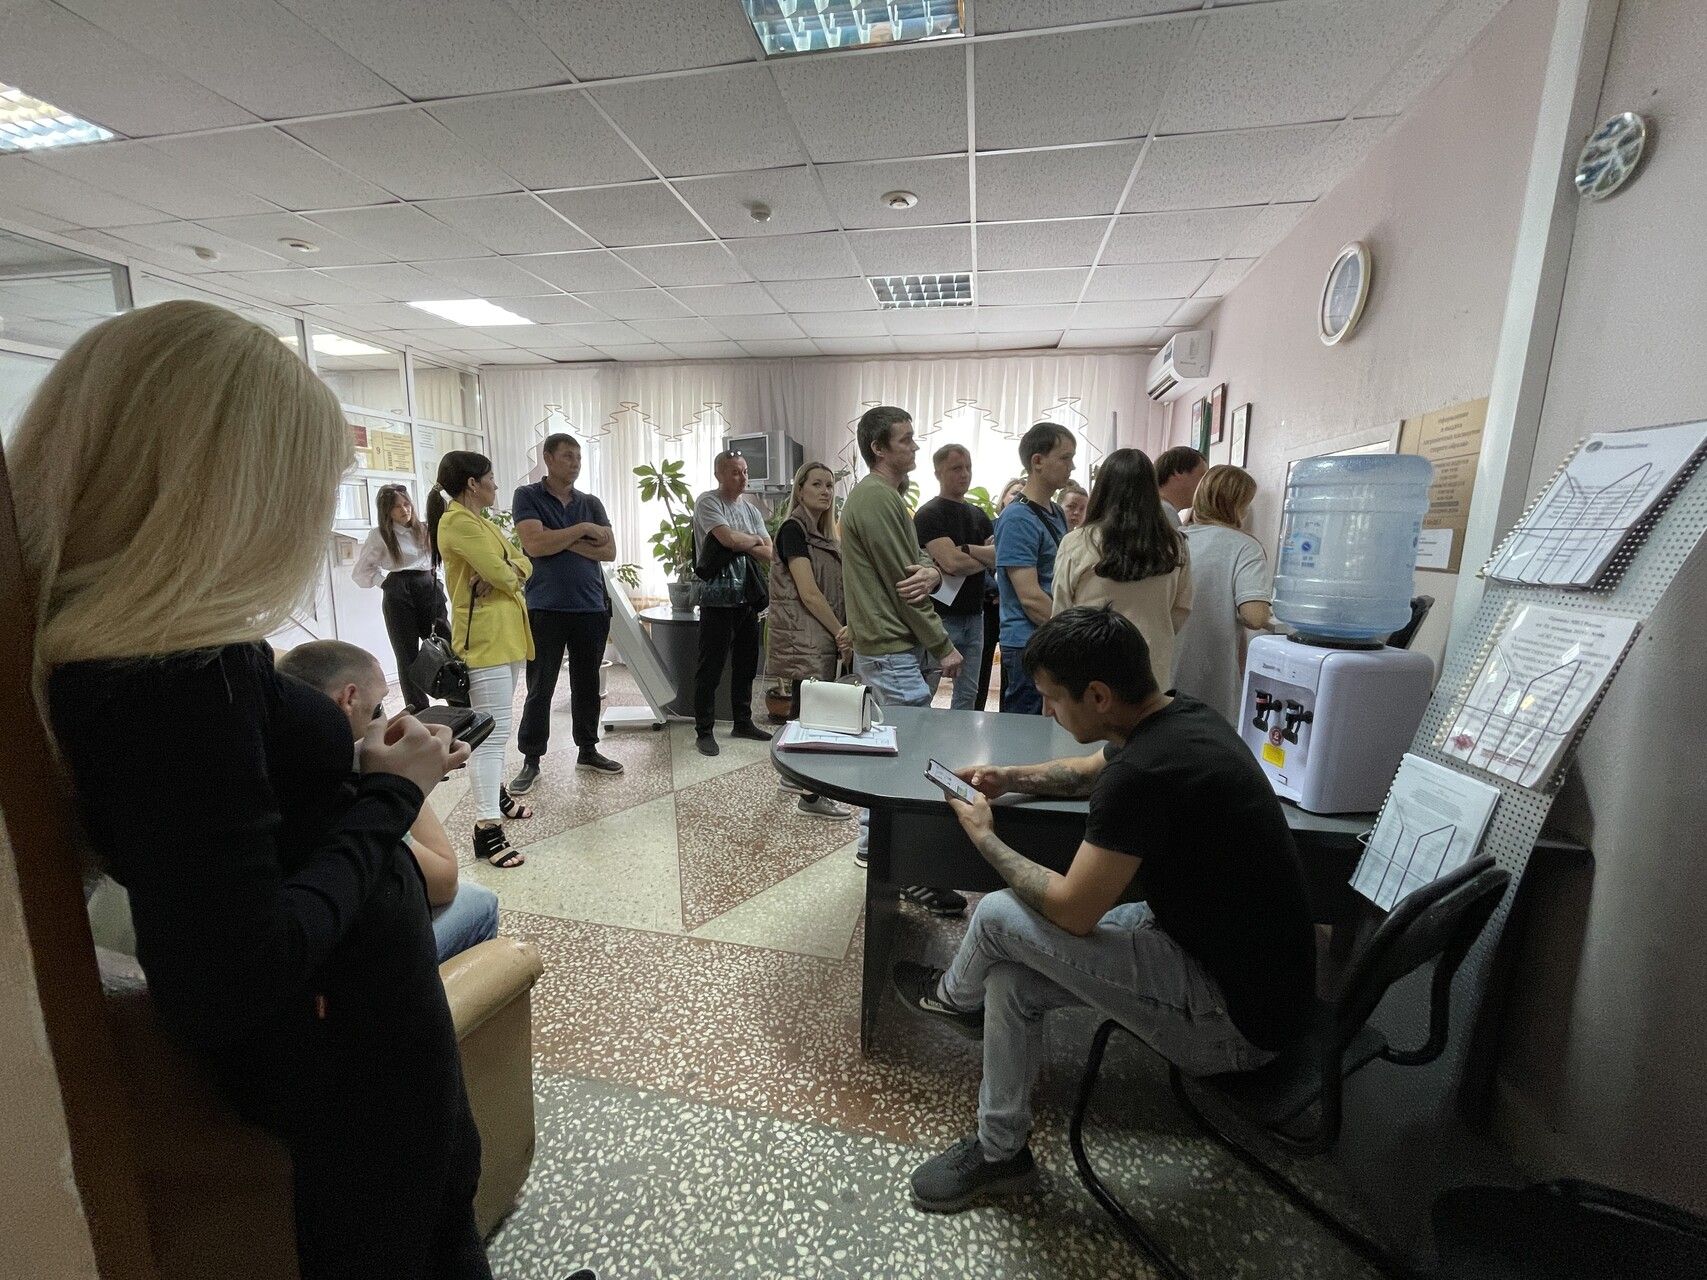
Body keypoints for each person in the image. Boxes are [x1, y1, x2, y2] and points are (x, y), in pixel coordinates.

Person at [12, 300, 527, 1280]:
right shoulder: (166, 682)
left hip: (364, 1045)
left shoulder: (164, 659)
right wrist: (391, 792)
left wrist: (361, 771)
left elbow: (240, 842)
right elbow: (234, 972)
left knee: (435, 1219)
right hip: (351, 1070)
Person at [892, 606, 1315, 1212]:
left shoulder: (1145, 774)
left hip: (1233, 1019)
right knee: (1010, 980)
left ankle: (955, 1000)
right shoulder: (1181, 719)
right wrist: (1006, 777)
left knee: (995, 915)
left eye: (1054, 700)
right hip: (1222, 955)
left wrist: (984, 835)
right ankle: (1000, 1153)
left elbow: (1072, 910)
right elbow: (1093, 770)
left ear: (1098, 694)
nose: (1051, 713)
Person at [277, 640, 502, 959]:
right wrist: (406, 782)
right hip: (353, 964)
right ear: (348, 699)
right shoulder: (346, 794)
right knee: (481, 903)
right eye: (380, 707)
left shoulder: (274, 768)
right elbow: (444, 880)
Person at [840, 406, 965, 915]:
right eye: (907, 440)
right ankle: (907, 868)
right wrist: (943, 644)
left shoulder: (885, 498)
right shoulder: (874, 499)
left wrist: (933, 570)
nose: (915, 448)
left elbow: (919, 570)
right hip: (891, 648)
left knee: (893, 751)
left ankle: (878, 845)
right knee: (910, 759)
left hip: (889, 648)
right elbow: (905, 585)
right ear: (880, 448)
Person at [428, 451, 536, 870]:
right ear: (472, 484)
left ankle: (499, 795)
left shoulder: (483, 522)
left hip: (506, 636)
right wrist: (507, 571)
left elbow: (521, 561)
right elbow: (507, 574)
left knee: (500, 724)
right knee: (490, 735)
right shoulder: (455, 522)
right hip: (484, 641)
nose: (495, 484)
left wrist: (508, 569)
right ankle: (486, 828)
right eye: (490, 477)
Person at [510, 432, 622, 794]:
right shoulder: (527, 496)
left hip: (590, 606)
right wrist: (584, 532)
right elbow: (534, 544)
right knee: (540, 685)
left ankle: (588, 749)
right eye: (567, 456)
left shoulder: (590, 501)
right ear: (548, 458)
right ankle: (531, 758)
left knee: (587, 683)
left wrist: (561, 539)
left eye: (578, 457)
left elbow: (609, 552)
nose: (574, 463)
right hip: (545, 606)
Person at [1051, 448, 1192, 691]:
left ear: (1102, 489)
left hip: (1089, 668)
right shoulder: (1175, 544)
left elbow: (1061, 612)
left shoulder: (1077, 541)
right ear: (1151, 490)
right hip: (1151, 669)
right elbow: (1181, 609)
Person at [766, 461, 854, 821]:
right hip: (808, 633)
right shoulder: (793, 530)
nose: (825, 491)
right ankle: (811, 795)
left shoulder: (825, 535)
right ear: (799, 490)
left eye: (830, 485)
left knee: (804, 711)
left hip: (817, 632)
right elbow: (809, 592)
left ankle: (794, 776)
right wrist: (840, 631)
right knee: (815, 715)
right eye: (816, 484)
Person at [1171, 465, 1273, 726]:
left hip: (1163, 670)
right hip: (1211, 675)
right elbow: (1254, 616)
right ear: (1237, 505)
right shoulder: (1244, 546)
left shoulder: (1173, 539)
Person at [692, 451, 775, 757]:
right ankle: (704, 730)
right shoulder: (709, 502)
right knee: (710, 667)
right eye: (735, 472)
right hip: (717, 599)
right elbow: (726, 540)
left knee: (746, 664)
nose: (742, 478)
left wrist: (748, 541)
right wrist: (754, 541)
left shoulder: (752, 511)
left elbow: (771, 553)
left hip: (748, 599)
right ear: (719, 475)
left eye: (744, 472)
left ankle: (743, 721)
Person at [994, 422, 1075, 714]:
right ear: (1037, 461)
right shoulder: (1018, 518)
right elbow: (1029, 597)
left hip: (1049, 637)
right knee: (1025, 732)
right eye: (1065, 458)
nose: (1072, 466)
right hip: (1028, 644)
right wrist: (1075, 631)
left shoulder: (1055, 512)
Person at [351, 483, 451, 713]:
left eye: (407, 504)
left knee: (442, 643)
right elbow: (362, 571)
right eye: (397, 507)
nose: (405, 510)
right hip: (398, 591)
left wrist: (438, 581)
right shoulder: (379, 536)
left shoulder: (425, 528)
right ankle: (419, 708)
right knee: (406, 653)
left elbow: (440, 557)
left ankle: (455, 695)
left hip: (429, 586)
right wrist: (385, 584)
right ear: (387, 511)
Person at [914, 443, 994, 710]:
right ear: (938, 472)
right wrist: (978, 556)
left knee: (968, 694)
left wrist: (966, 551)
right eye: (956, 468)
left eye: (968, 467)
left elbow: (996, 557)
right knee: (926, 690)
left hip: (975, 616)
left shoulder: (979, 515)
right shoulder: (928, 514)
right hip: (940, 617)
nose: (964, 474)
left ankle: (962, 749)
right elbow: (951, 562)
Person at [978, 477, 1027, 711]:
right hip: (989, 608)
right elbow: (977, 562)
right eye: (1014, 492)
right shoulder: (989, 525)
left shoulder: (1028, 529)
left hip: (1016, 611)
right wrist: (996, 590)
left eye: (1023, 494)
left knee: (1012, 672)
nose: (1018, 497)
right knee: (981, 667)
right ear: (1003, 496)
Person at [1155, 445, 1209, 528]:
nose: (1205, 484)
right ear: (1177, 472)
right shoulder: (1164, 512)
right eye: (1202, 477)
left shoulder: (1156, 507)